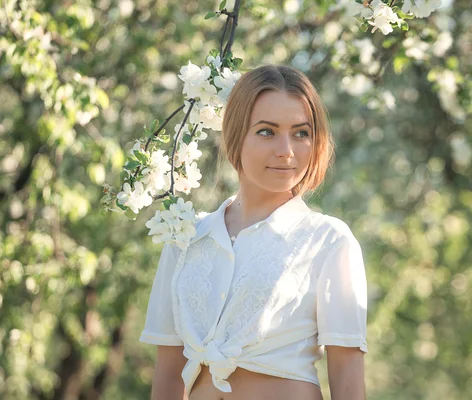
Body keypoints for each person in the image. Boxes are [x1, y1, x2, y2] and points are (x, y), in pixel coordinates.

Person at [139, 64, 368, 400]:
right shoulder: (186, 236)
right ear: (235, 134)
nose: (286, 150)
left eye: (301, 133)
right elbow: (168, 372)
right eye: (266, 131)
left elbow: (347, 376)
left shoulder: (328, 241)